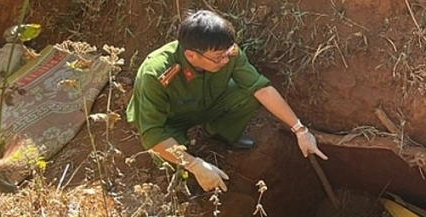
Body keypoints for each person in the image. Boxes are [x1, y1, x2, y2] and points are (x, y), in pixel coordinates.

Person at [126, 10, 326, 192]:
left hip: (206, 104)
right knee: (174, 163)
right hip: (170, 122)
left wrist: (300, 130)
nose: (225, 61)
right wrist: (195, 165)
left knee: (248, 94)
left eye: (227, 54)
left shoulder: (227, 52)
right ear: (191, 55)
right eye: (218, 58)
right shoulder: (156, 73)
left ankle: (218, 132)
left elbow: (261, 88)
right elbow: (153, 133)